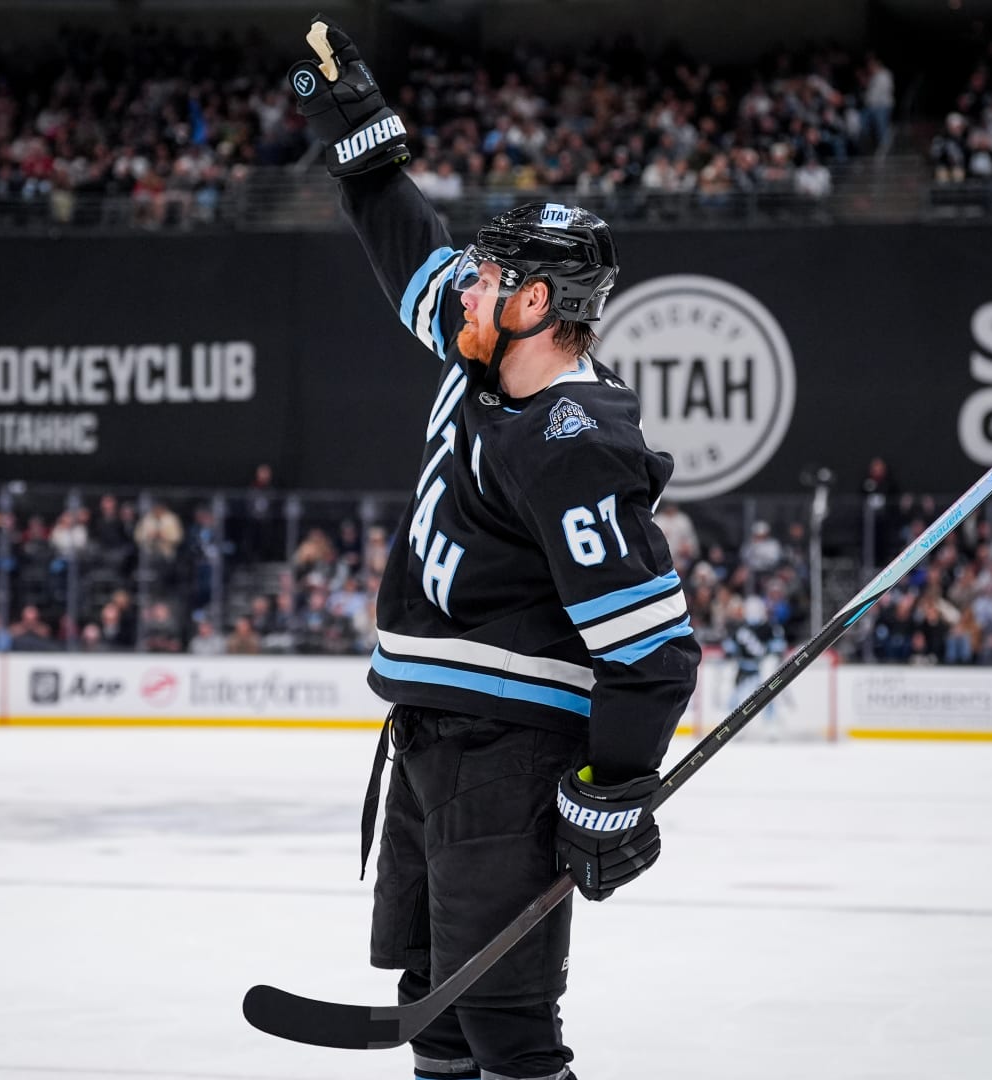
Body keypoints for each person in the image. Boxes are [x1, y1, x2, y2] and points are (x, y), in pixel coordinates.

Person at [286, 20, 700, 1079]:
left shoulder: (574, 441)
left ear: (535, 304)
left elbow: (651, 649)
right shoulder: (482, 359)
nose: (462, 286)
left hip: (510, 756)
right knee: (432, 999)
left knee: (504, 1019)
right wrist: (359, 135)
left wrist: (612, 782)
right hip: (433, 738)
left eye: (486, 277)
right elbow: (405, 244)